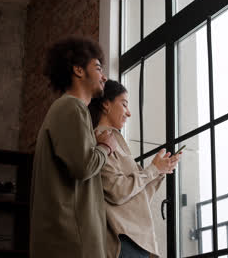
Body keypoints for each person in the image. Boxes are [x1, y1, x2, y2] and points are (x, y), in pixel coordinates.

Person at [29, 36, 117, 258]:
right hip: (73, 242)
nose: (104, 76)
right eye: (98, 68)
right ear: (78, 70)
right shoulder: (71, 107)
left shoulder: (67, 109)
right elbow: (83, 166)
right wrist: (106, 147)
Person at [88, 80, 181, 258]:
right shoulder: (100, 140)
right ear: (106, 104)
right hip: (124, 240)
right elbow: (117, 190)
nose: (129, 113)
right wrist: (152, 170)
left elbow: (138, 196)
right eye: (124, 104)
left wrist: (160, 170)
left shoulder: (117, 140)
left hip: (137, 241)